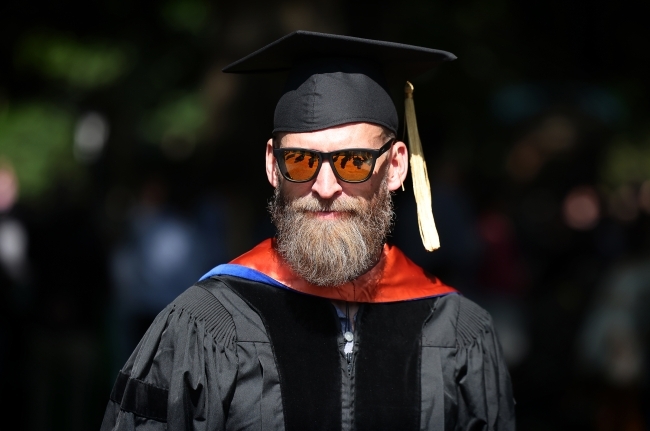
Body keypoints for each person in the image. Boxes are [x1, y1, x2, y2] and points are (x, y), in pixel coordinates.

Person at [101, 31, 515, 430]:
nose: (325, 186)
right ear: (272, 166)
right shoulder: (203, 325)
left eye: (353, 161)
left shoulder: (459, 332)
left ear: (395, 167)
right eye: (300, 161)